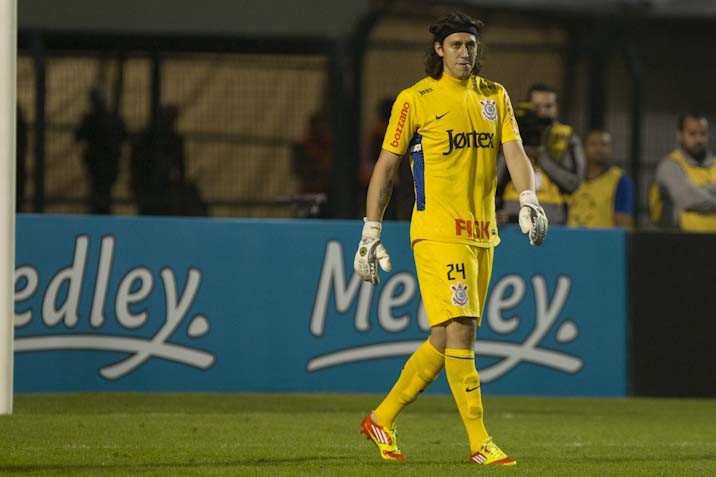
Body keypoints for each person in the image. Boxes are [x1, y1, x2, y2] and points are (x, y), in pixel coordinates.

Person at [353, 11, 547, 466]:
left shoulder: (493, 96)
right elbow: (386, 167)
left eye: (471, 46)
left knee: (443, 339)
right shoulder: (415, 99)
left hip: (483, 234)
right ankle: (481, 442)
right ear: (439, 49)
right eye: (456, 45)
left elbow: (515, 153)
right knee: (464, 331)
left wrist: (528, 199)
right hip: (437, 232)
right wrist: (370, 230)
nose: (465, 52)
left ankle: (381, 418)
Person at [496, 83, 586, 224]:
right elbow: (496, 181)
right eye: (537, 107)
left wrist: (541, 157)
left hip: (554, 218)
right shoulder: (514, 132)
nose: (542, 112)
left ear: (556, 108)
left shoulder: (565, 137)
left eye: (548, 106)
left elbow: (573, 183)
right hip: (512, 215)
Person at [651, 113, 716, 231]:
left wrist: (699, 190)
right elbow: (688, 198)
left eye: (703, 134)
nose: (699, 139)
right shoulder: (669, 166)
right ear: (679, 135)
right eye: (692, 133)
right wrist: (710, 190)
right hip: (681, 242)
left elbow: (694, 195)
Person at [75, 85, 127, 214]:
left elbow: (78, 136)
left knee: (99, 192)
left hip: (98, 163)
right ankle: (102, 212)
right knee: (103, 192)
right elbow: (125, 136)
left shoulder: (91, 119)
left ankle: (100, 213)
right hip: (107, 163)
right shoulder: (113, 119)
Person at [567, 129, 635, 228]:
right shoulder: (569, 178)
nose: (599, 149)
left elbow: (623, 222)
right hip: (569, 240)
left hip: (603, 242)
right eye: (593, 144)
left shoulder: (620, 180)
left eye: (604, 144)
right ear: (583, 148)